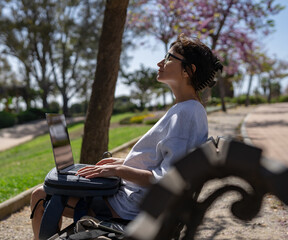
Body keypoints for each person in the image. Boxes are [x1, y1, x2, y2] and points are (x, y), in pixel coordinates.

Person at [30, 33, 223, 239]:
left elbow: (167, 180)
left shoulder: (187, 113)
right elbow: (161, 161)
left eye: (168, 58)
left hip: (128, 208)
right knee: (54, 186)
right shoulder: (186, 109)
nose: (160, 62)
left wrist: (119, 170)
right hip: (130, 199)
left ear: (188, 70)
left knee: (41, 195)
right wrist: (121, 163)